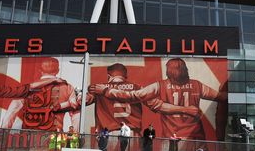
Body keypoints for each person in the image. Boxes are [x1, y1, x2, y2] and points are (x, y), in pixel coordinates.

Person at [95, 58, 227, 140]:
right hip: (195, 137)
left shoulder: (159, 86)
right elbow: (221, 98)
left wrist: (107, 90)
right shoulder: (197, 85)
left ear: (168, 71)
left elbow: (133, 96)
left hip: (170, 138)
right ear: (186, 70)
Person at [1, 57, 80, 131]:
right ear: (58, 70)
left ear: (40, 70)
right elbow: (76, 115)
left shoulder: (28, 88)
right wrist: (76, 135)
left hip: (28, 137)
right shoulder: (68, 88)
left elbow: (11, 112)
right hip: (54, 137)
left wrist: (3, 134)